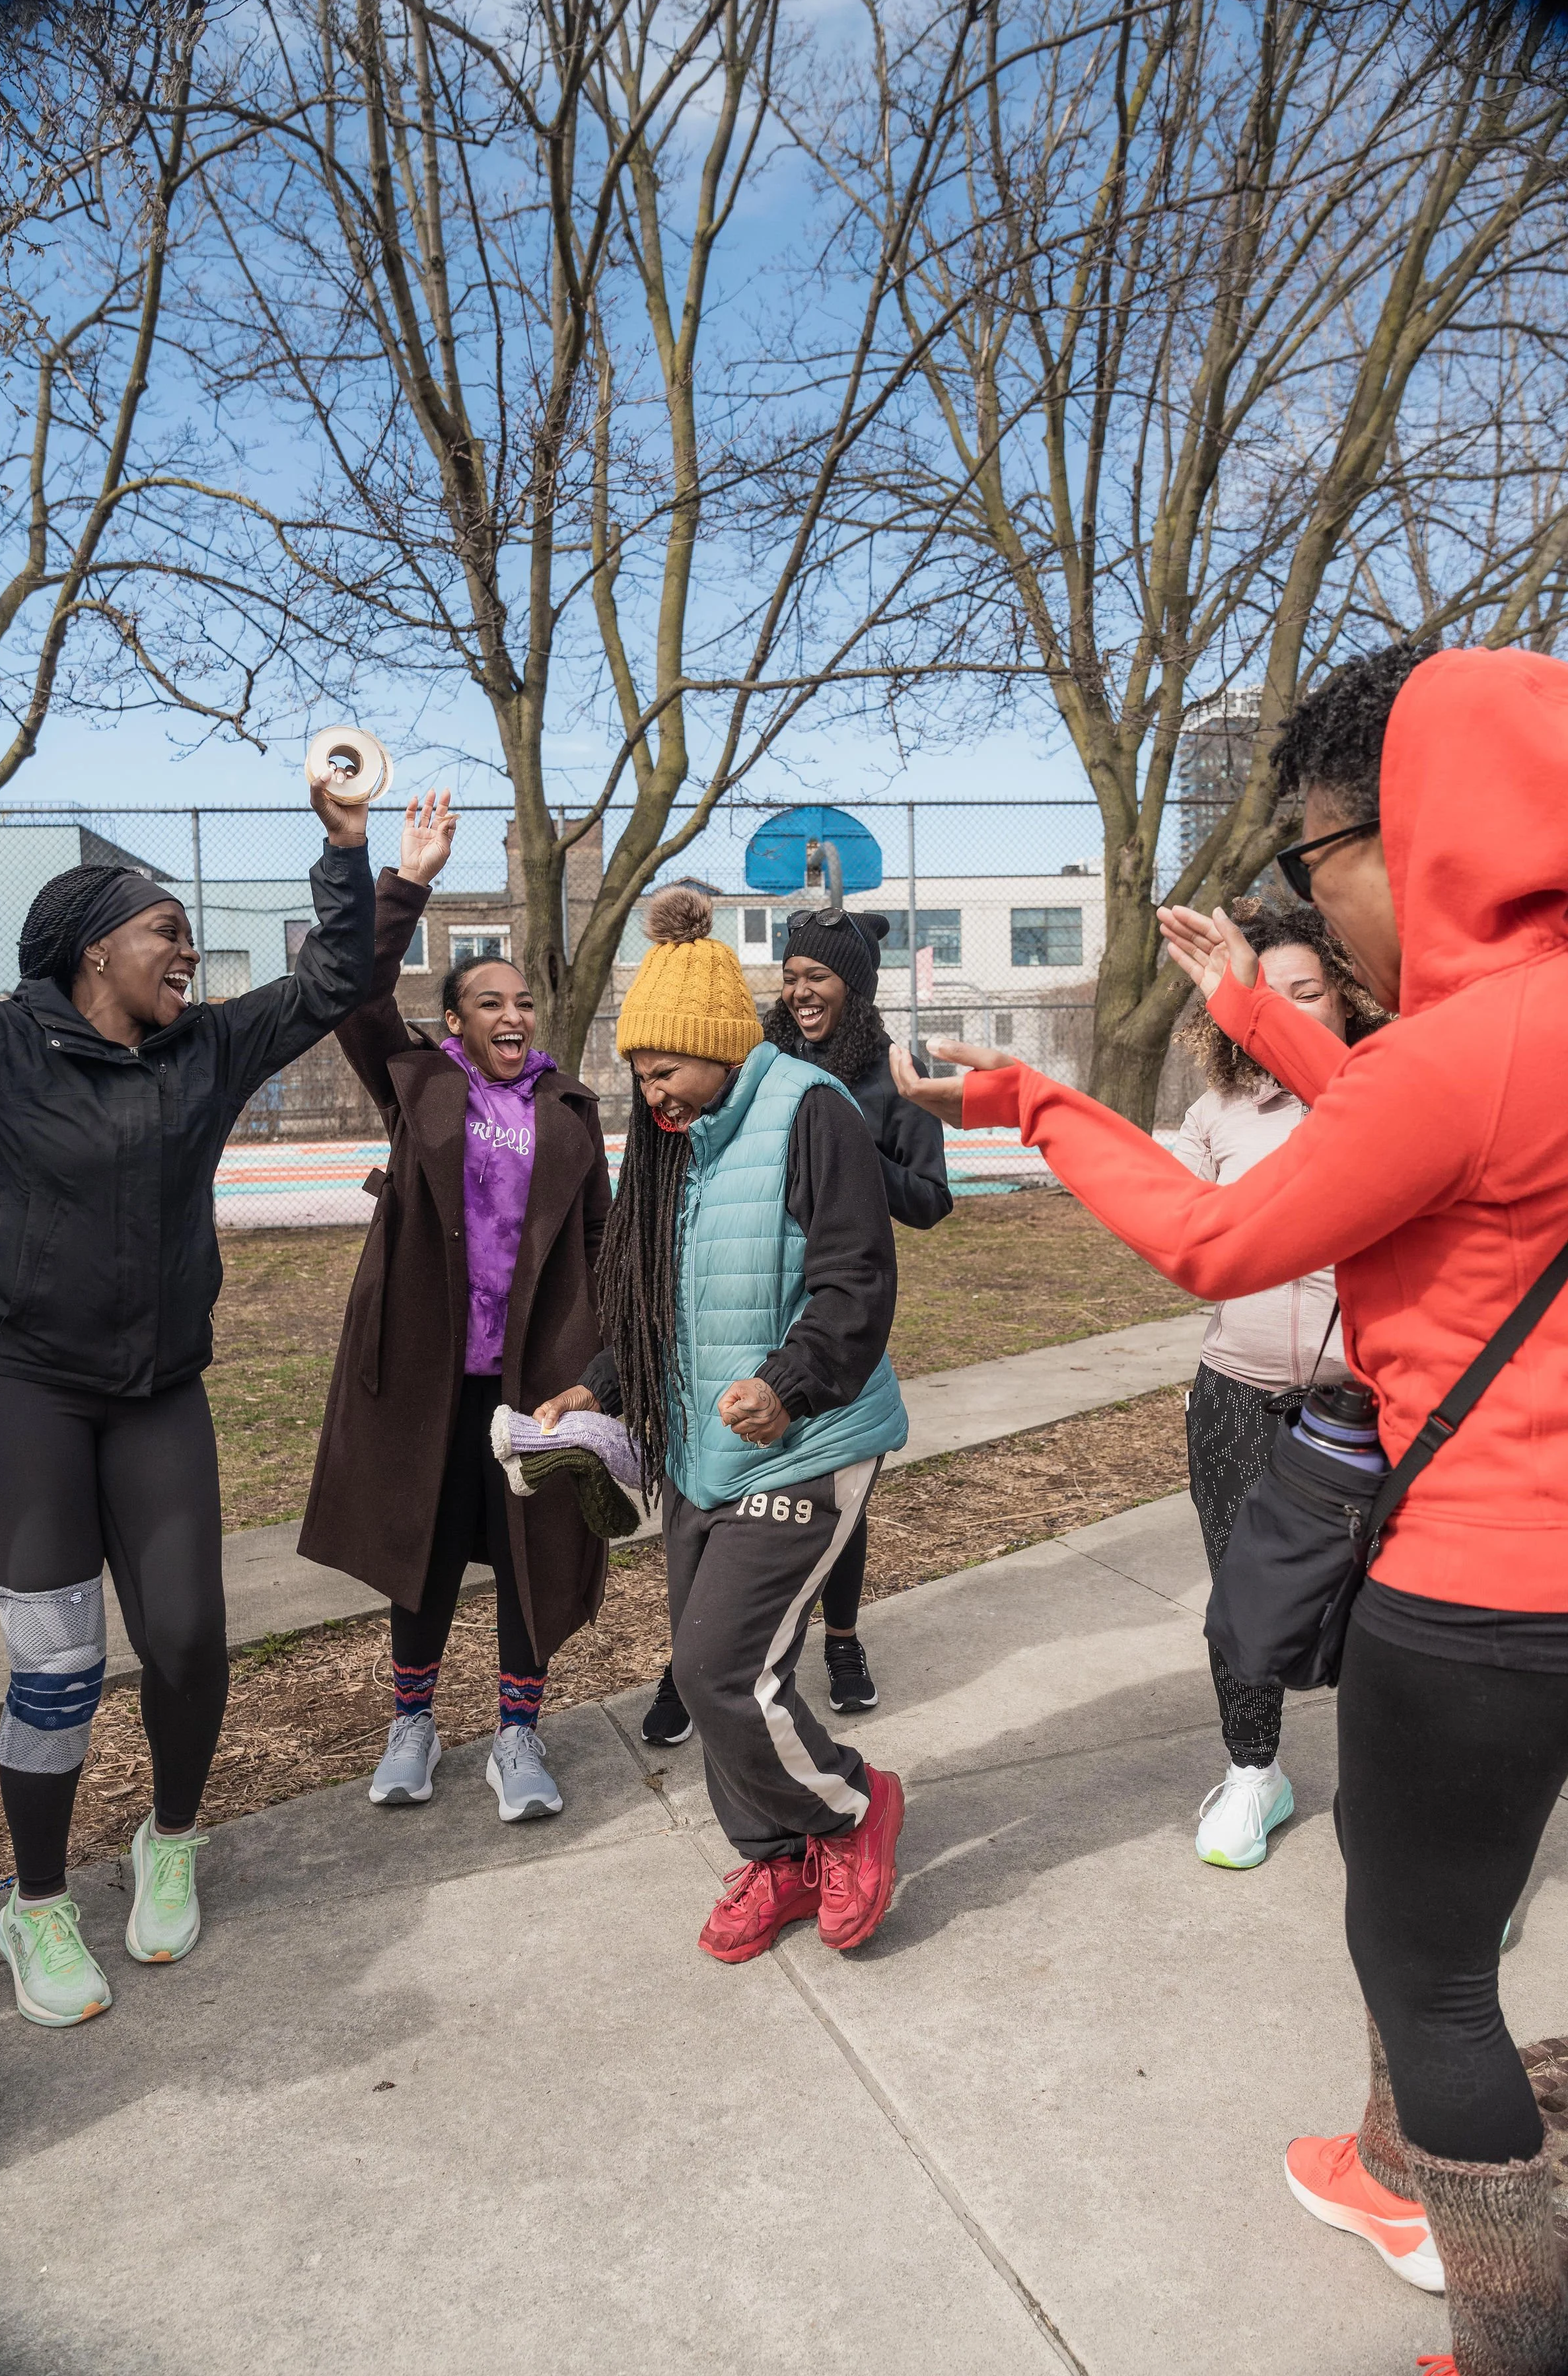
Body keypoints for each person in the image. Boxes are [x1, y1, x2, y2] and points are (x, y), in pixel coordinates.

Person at [890, 642, 1568, 2376]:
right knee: (1430, 1901)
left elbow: (1217, 1237)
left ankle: (1509, 2324)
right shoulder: (1524, 1029)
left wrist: (1030, 1100)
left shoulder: (1468, 1044)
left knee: (1424, 1966)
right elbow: (1427, 1136)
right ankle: (1396, 2154)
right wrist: (1260, 1011)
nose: (1318, 904)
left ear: (1422, 834)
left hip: (1481, 1592)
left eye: (1319, 858)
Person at [0, 772, 374, 2029]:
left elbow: (331, 983)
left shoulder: (205, 1047)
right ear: (96, 947)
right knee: (55, 1668)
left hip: (160, 1394)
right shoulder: (0, 1046)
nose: (187, 951)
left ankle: (171, 1837)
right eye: (166, 931)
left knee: (192, 1641)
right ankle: (37, 1904)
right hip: (29, 1392)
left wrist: (352, 854)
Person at [537, 885, 908, 1964]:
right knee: (720, 1678)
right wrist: (597, 1387)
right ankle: (777, 1856)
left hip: (811, 1438)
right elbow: (658, 1298)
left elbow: (858, 1280)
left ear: (717, 1046)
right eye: (639, 1073)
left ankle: (849, 1808)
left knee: (719, 1672)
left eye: (665, 1070)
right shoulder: (673, 1145)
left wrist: (791, 1384)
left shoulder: (810, 1111)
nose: (650, 1093)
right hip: (705, 1450)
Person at [299, 795, 612, 1826]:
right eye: (490, 1002)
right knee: (420, 1547)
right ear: (456, 1021)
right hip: (427, 1366)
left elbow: (602, 1250)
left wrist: (600, 1373)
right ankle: (414, 1725)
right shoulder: (419, 1089)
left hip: (533, 1379)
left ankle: (518, 1737)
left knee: (531, 1550)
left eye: (523, 1001)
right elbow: (355, 993)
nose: (514, 1016)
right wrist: (409, 880)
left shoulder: (572, 1112)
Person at [639, 902, 952, 1745]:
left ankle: (841, 1643)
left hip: (829, 1316)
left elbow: (928, 1202)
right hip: (736, 1310)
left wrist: (844, 1159)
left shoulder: (885, 1075)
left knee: (825, 1486)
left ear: (854, 986)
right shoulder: (739, 1067)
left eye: (818, 977)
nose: (800, 990)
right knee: (706, 1532)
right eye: (790, 976)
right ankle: (692, 1666)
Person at [1170, 898, 1384, 1870]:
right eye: (1271, 993)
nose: (1290, 1011)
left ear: (1349, 995)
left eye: (1310, 991)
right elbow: (1176, 1228)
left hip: (1378, 1407)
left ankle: (1409, 1803)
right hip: (1238, 1393)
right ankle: (1255, 1771)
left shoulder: (1393, 1100)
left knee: (1394, 1610)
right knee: (1242, 1596)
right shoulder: (1219, 1113)